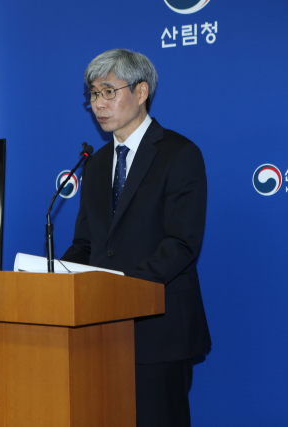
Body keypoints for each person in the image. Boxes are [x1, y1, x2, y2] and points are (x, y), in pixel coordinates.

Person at [62, 48, 211, 427]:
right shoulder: (94, 165)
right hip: (98, 329)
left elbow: (182, 244)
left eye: (109, 91)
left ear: (141, 92)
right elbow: (86, 244)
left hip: (157, 331)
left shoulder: (179, 154)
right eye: (93, 94)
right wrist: (55, 276)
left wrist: (122, 289)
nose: (98, 104)